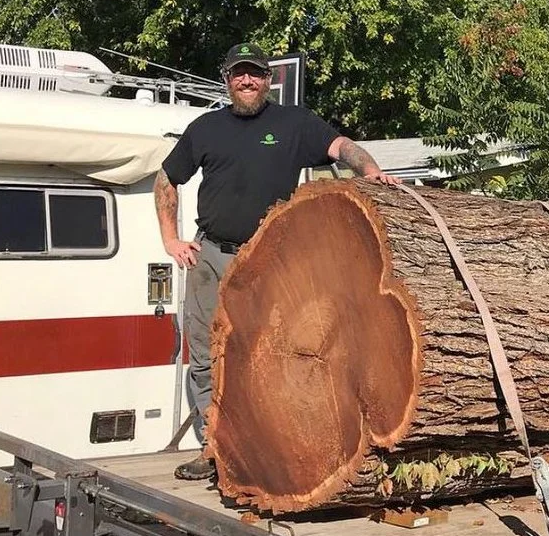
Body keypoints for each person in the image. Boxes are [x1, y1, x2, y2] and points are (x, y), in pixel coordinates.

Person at [154, 42, 401, 480]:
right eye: (238, 74)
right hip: (213, 256)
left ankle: (269, 452)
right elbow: (167, 178)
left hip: (273, 263)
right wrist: (171, 239)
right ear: (227, 80)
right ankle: (215, 449)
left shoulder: (294, 123)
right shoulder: (205, 128)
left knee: (274, 355)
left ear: (269, 80)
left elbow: (341, 145)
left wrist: (369, 170)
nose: (246, 81)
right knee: (208, 354)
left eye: (254, 74)